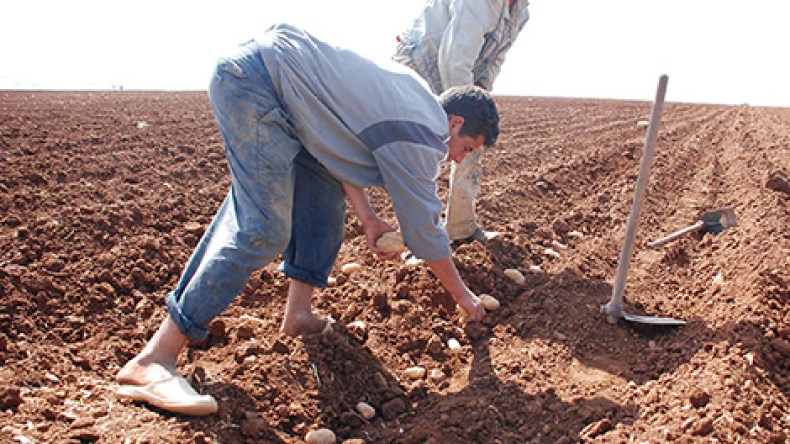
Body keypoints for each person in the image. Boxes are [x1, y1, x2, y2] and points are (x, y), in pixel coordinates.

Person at [114, 23, 500, 416]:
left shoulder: (411, 100)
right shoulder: (427, 131)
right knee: (262, 228)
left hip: (284, 95)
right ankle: (154, 359)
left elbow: (341, 150)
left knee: (323, 196)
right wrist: (464, 298)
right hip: (260, 85)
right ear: (454, 124)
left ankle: (297, 315)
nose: (458, 159)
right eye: (465, 147)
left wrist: (367, 218)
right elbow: (425, 232)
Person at [394, 0, 530, 244]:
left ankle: (460, 229)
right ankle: (416, 236)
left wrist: (481, 98)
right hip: (421, 65)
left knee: (471, 144)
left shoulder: (520, 11)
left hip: (461, 72)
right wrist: (466, 114)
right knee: (426, 144)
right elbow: (454, 60)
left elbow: (495, 60)